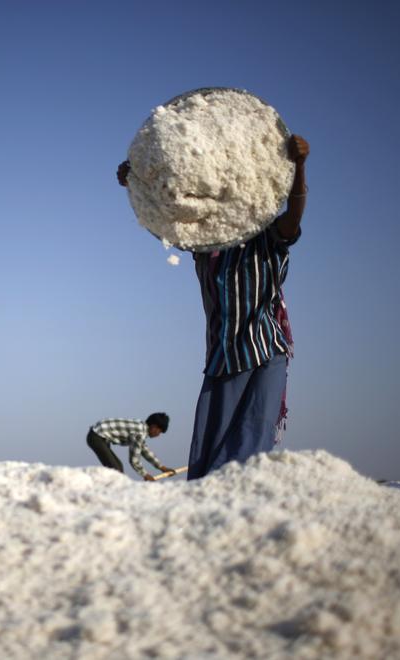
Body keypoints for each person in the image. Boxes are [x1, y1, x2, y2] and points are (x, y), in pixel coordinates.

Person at [117, 134, 309, 479]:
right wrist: (137, 185)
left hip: (265, 350)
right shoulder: (206, 246)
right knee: (210, 450)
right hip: (223, 356)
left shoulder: (267, 237)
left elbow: (293, 215)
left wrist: (299, 166)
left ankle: (243, 507)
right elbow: (164, 224)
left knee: (252, 438)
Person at [86, 413, 175, 480]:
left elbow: (145, 451)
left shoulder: (141, 429)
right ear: (154, 427)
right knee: (116, 469)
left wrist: (162, 467)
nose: (158, 435)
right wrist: (145, 475)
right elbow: (134, 460)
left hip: (100, 436)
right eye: (159, 431)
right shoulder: (139, 433)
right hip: (97, 436)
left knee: (118, 467)